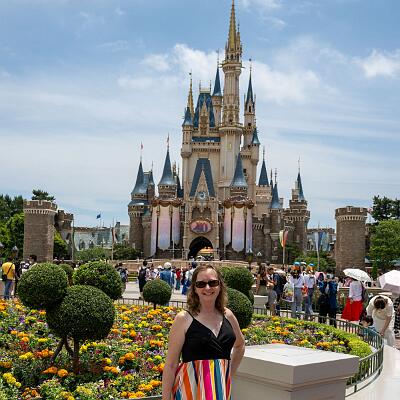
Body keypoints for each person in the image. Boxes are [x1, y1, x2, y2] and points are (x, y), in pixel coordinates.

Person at [162, 265, 245, 399]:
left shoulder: (228, 315)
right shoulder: (184, 319)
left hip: (220, 391)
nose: (207, 288)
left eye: (212, 283)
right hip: (190, 392)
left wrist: (228, 373)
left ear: (220, 285)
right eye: (201, 284)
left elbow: (240, 345)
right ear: (194, 288)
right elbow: (171, 365)